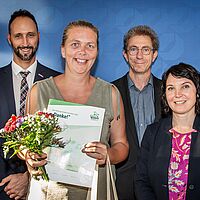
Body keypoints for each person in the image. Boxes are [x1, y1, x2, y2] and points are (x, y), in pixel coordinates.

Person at [19, 20, 129, 199]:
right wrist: (29, 155)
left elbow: (122, 145)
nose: (82, 52)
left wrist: (107, 154)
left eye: (90, 45)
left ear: (97, 52)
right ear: (63, 50)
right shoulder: (39, 91)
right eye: (75, 44)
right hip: (49, 191)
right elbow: (23, 144)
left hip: (95, 191)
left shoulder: (111, 93)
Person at [0, 9, 60, 199]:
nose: (25, 43)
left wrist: (29, 176)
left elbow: (62, 139)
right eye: (18, 36)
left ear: (38, 37)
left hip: (45, 185)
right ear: (9, 39)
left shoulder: (57, 81)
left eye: (30, 35)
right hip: (2, 186)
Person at [135, 62, 200, 200]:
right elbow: (141, 181)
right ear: (165, 95)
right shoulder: (152, 133)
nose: (177, 94)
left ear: (197, 91)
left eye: (185, 86)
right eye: (171, 88)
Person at [112, 25, 162, 199]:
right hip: (121, 184)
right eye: (133, 49)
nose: (139, 56)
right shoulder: (110, 91)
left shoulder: (169, 93)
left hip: (159, 184)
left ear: (154, 55)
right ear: (125, 55)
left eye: (145, 50)